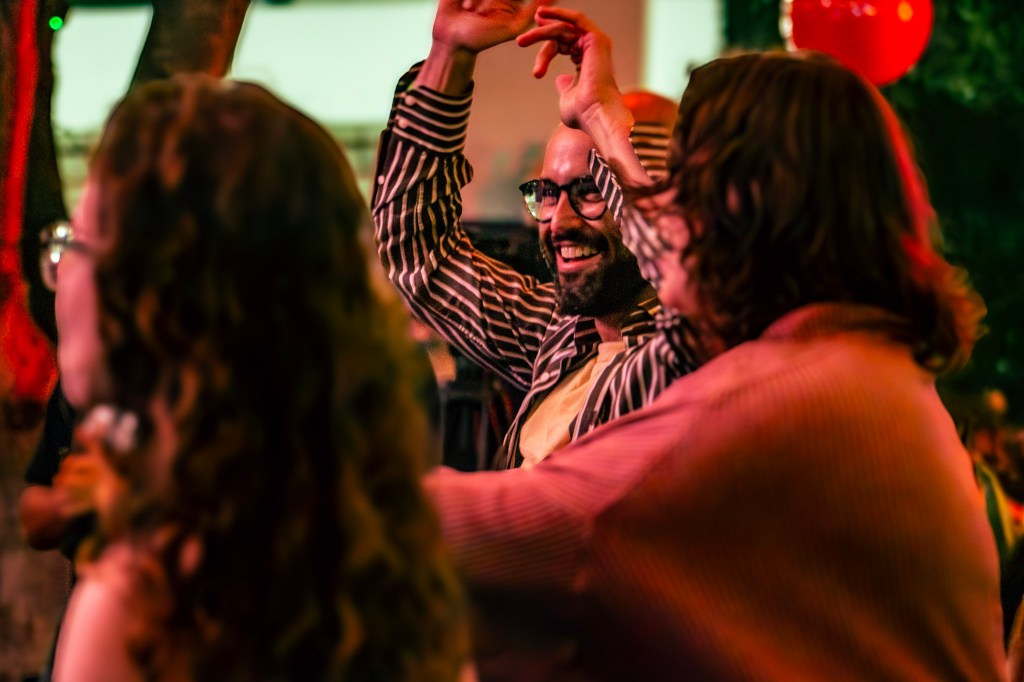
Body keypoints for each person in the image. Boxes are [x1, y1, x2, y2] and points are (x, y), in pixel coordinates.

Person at [423, 6, 1004, 680]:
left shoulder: (785, 393)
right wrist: (604, 120)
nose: (663, 217)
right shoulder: (867, 365)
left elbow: (528, 531)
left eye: (685, 186)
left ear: (739, 211)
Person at [48, 75, 468, 681]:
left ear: (170, 295)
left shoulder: (146, 604)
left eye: (78, 241)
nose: (60, 273)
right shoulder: (389, 561)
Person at [372, 0, 697, 470]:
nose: (559, 221)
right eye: (546, 192)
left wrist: (605, 124)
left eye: (590, 190)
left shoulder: (698, 350)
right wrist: (449, 55)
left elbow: (685, 288)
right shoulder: (559, 335)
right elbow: (417, 249)